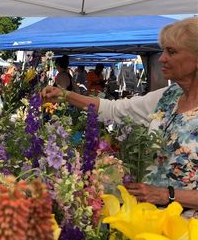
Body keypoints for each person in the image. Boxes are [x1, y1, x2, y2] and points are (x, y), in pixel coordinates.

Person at [41, 17, 198, 215]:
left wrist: (166, 195)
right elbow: (113, 110)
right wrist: (65, 95)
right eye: (163, 50)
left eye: (171, 51)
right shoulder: (167, 96)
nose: (161, 59)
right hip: (150, 220)